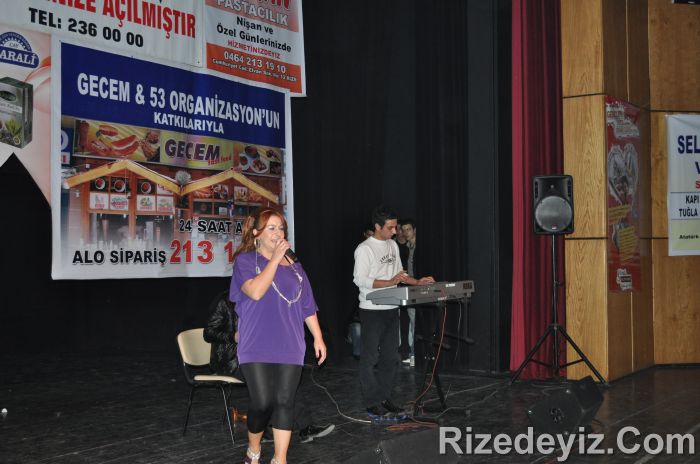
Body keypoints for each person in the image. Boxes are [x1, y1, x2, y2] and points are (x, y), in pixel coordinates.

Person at [229, 209, 327, 464]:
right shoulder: (245, 262)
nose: (278, 233)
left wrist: (318, 337)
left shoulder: (296, 268)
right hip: (256, 342)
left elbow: (307, 305)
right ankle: (253, 449)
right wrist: (274, 260)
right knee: (262, 402)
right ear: (256, 234)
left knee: (285, 401)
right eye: (271, 228)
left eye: (281, 228)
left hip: (290, 342)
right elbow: (256, 292)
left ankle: (279, 459)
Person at [202, 290, 335, 445]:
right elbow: (208, 333)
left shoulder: (264, 299)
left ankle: (304, 427)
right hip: (231, 361)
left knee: (288, 376)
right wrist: (233, 336)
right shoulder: (226, 302)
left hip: (259, 356)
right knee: (272, 379)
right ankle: (269, 429)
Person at [353, 206, 434, 417]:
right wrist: (389, 282)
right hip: (372, 309)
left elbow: (400, 275)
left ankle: (384, 397)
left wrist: (417, 282)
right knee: (370, 358)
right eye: (390, 227)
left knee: (391, 358)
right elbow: (360, 280)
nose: (395, 231)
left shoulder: (392, 245)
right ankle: (372, 401)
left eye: (396, 227)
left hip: (392, 308)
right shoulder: (365, 249)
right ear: (377, 226)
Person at [397, 219, 419, 367]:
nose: (405, 233)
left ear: (414, 230)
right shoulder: (408, 247)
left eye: (408, 229)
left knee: (416, 322)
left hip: (419, 287)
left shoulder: (418, 247)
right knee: (412, 322)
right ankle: (413, 354)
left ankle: (415, 354)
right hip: (411, 288)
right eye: (403, 230)